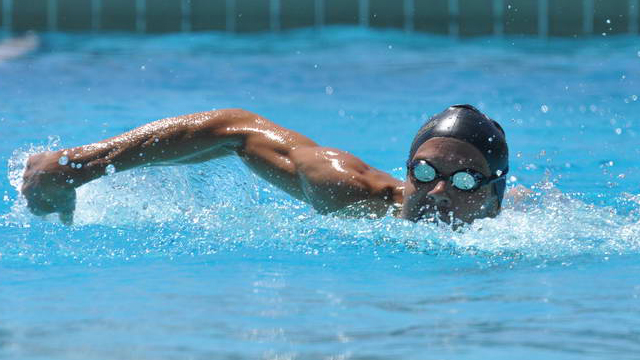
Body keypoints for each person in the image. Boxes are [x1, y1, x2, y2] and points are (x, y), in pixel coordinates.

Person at [21, 104, 510, 226]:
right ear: (407, 171)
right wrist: (80, 165)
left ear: (493, 196)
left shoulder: (521, 227)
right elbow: (237, 128)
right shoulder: (350, 191)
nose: (439, 193)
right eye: (424, 173)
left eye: (465, 181)